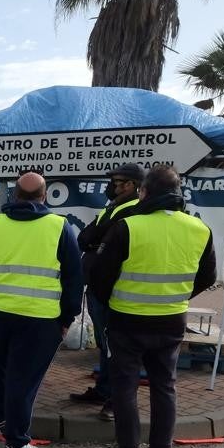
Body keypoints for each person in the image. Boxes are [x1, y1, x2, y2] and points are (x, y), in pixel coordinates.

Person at [89, 166, 216, 448]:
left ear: (144, 192)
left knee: (125, 387)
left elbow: (99, 277)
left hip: (126, 321)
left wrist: (113, 304)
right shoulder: (200, 229)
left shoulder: (128, 227)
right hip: (171, 320)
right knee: (165, 386)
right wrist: (176, 297)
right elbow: (208, 276)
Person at [0, 172, 83, 448]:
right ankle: (16, 444)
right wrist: (67, 318)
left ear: (14, 196)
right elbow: (74, 279)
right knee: (22, 382)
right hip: (39, 319)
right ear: (44, 196)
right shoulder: (59, 227)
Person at [69, 163, 143, 422]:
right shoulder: (112, 208)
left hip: (115, 289)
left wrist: (95, 239)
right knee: (105, 344)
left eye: (118, 181)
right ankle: (103, 391)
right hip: (98, 287)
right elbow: (86, 238)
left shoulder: (133, 210)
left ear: (131, 185)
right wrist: (94, 239)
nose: (112, 186)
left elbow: (98, 238)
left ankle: (115, 401)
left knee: (118, 349)